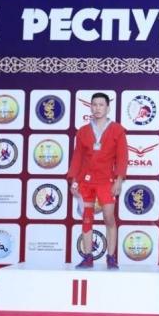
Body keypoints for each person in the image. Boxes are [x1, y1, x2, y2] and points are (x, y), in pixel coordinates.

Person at [66, 92, 128, 269]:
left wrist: (119, 180)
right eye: (94, 105)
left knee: (109, 217)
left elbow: (122, 157)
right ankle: (88, 257)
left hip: (106, 181)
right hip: (86, 182)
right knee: (87, 218)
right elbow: (77, 157)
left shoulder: (117, 130)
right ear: (90, 107)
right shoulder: (83, 131)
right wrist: (73, 180)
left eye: (101, 105)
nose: (97, 108)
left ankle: (111, 257)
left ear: (108, 108)